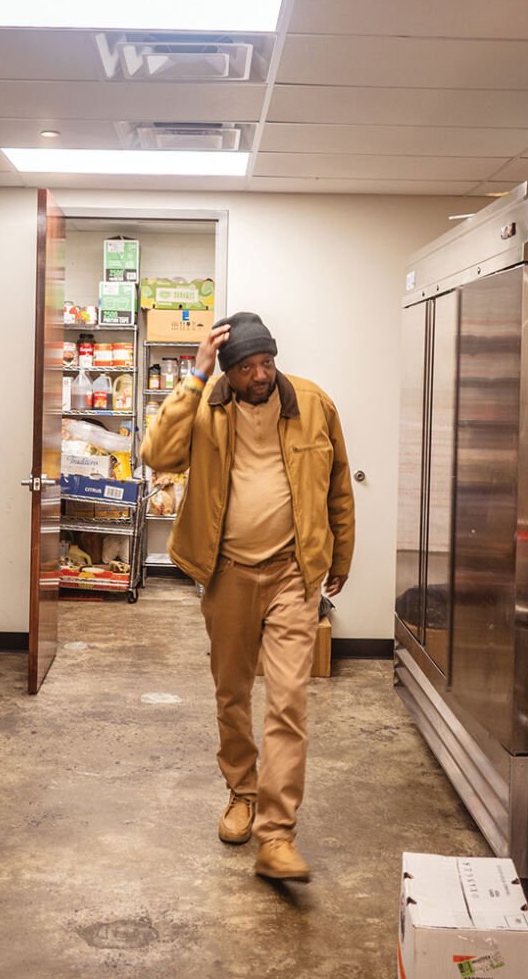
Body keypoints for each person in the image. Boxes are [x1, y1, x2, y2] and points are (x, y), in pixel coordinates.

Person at [142, 312, 355, 882]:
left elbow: (338, 484)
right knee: (232, 693)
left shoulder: (314, 403)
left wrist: (341, 555)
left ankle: (278, 835)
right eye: (245, 367)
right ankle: (242, 791)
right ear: (228, 371)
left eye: (266, 363)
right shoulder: (206, 407)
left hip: (293, 572)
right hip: (228, 572)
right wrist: (195, 377)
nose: (259, 375)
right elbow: (158, 456)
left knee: (289, 701)